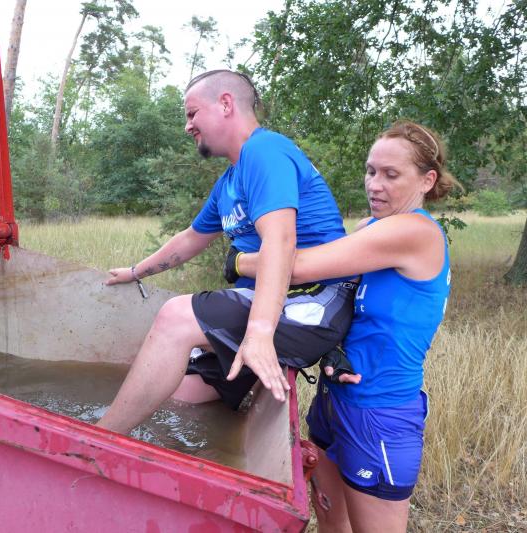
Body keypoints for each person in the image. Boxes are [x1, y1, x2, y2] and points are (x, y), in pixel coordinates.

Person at [96, 70, 356, 435]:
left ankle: (94, 441)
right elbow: (192, 237)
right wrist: (135, 271)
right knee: (183, 395)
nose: (187, 126)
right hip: (269, 301)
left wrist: (260, 332)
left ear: (226, 104)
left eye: (192, 113)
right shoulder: (229, 182)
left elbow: (280, 241)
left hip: (314, 300)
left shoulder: (264, 152)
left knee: (176, 317)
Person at [235, 120, 460, 532]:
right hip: (334, 398)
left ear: (427, 180)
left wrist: (238, 261)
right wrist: (335, 350)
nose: (375, 184)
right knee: (330, 521)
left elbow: (298, 267)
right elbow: (340, 296)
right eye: (371, 171)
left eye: (391, 175)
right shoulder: (370, 228)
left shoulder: (416, 231)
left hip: (380, 412)